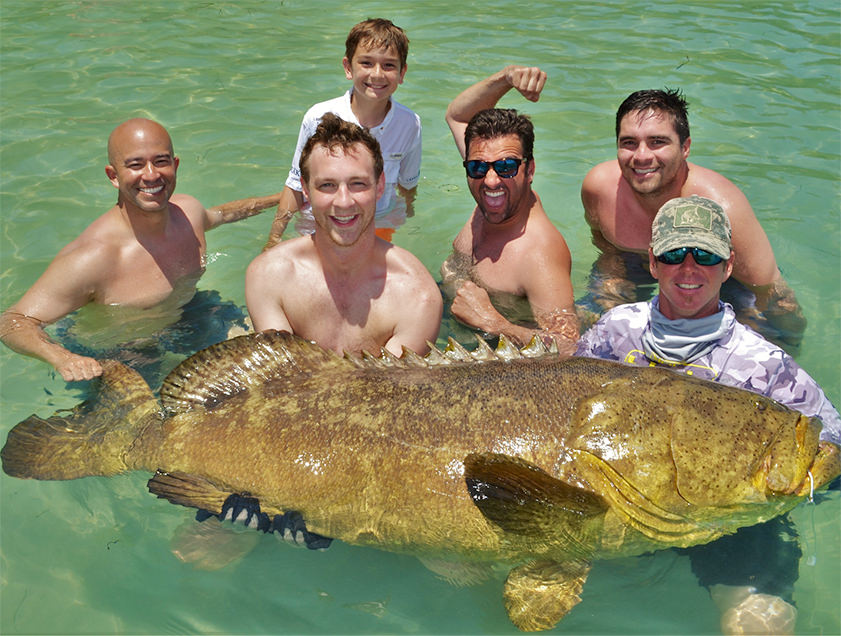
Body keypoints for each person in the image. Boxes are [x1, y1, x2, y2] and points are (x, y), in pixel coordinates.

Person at [575, 195, 840, 635]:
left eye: (706, 255)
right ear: (653, 263)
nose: (689, 268)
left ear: (729, 265)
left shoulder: (767, 367)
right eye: (674, 254)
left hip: (730, 526)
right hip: (626, 506)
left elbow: (829, 448)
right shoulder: (613, 332)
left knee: (758, 623)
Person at [0, 118, 282, 382]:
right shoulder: (93, 257)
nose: (151, 175)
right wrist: (62, 358)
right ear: (113, 175)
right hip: (120, 350)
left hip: (190, 312)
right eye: (135, 165)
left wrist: (283, 199)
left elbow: (224, 214)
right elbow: (13, 322)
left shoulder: (189, 213)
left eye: (161, 162)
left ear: (176, 165)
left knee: (274, 352)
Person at [581, 89, 806, 349]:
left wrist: (784, 339)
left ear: (685, 147)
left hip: (715, 274)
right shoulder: (599, 189)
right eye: (629, 142)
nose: (641, 156)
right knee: (588, 328)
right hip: (633, 263)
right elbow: (607, 250)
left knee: (764, 342)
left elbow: (770, 293)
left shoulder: (722, 207)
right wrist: (612, 293)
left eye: (657, 142)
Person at [246, 113, 442, 358]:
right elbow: (281, 377)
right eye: (327, 185)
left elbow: (389, 391)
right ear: (305, 189)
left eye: (358, 184)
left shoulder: (417, 295)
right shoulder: (269, 275)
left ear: (380, 185)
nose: (344, 202)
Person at [440, 65, 578, 353]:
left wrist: (495, 323)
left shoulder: (538, 253)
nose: (491, 180)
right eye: (478, 167)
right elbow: (458, 114)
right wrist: (506, 78)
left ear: (529, 171)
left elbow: (569, 347)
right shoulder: (491, 181)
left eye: (506, 167)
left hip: (497, 353)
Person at [264, 18, 421, 247]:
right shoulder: (317, 116)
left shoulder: (410, 123)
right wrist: (274, 238)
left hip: (379, 219)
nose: (377, 74)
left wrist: (412, 217)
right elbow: (296, 184)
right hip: (324, 220)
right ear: (348, 68)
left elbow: (408, 184)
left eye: (389, 65)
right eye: (366, 63)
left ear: (402, 72)